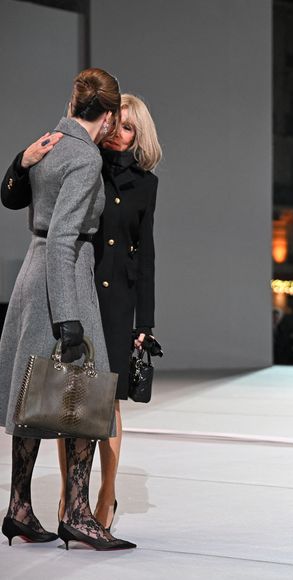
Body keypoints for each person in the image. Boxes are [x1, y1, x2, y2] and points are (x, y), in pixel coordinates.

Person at [1, 94, 162, 531]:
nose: (117, 133)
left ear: (139, 135)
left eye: (128, 128)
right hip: (75, 287)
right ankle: (70, 505)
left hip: (114, 302)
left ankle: (104, 494)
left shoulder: (146, 183)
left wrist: (143, 322)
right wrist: (21, 162)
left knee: (101, 402)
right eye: (115, 124)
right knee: (61, 396)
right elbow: (21, 199)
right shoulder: (82, 159)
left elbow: (144, 254)